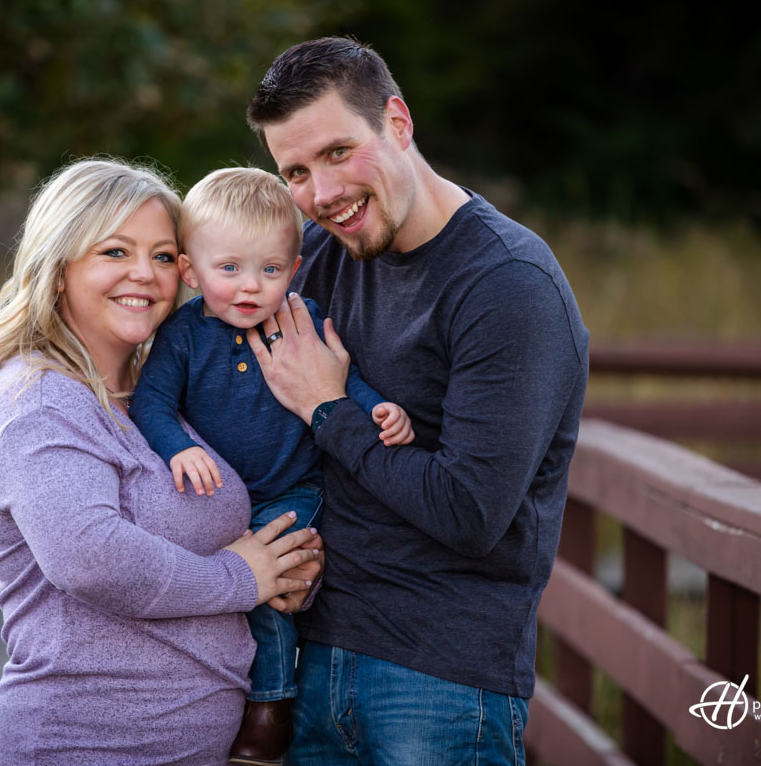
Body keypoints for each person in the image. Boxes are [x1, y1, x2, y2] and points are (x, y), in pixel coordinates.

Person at [243, 37, 590, 765]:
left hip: (440, 684)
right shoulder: (316, 260)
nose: (322, 192)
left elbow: (471, 514)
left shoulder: (506, 285)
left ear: (397, 123)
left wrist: (330, 410)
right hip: (312, 664)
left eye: (339, 153)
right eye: (296, 172)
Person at [0, 158, 324, 765]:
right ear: (59, 268)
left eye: (164, 255)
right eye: (115, 252)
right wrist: (242, 578)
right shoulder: (41, 400)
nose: (145, 274)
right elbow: (91, 557)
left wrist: (285, 569)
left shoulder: (157, 398)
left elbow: (224, 533)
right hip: (82, 745)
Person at [129, 167, 414, 765]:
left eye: (270, 269)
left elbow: (345, 378)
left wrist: (378, 408)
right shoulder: (182, 336)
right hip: (211, 496)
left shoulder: (297, 318)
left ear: (295, 266)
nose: (249, 288)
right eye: (228, 269)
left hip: (291, 487)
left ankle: (271, 705)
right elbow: (152, 402)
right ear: (190, 271)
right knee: (222, 583)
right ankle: (219, 695)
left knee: (269, 584)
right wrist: (178, 448)